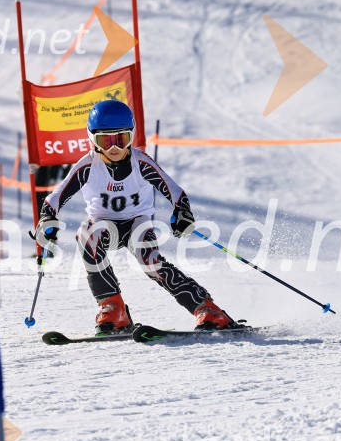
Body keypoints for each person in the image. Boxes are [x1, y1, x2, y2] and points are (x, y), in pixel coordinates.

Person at [33, 100, 236, 334]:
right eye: (105, 141)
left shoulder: (140, 162)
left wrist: (182, 213)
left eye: (121, 139)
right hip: (104, 227)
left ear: (131, 136)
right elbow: (55, 198)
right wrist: (47, 220)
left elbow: (174, 190)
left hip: (137, 224)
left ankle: (207, 309)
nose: (114, 148)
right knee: (87, 234)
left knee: (149, 260)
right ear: (92, 140)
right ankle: (113, 309)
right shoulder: (89, 165)